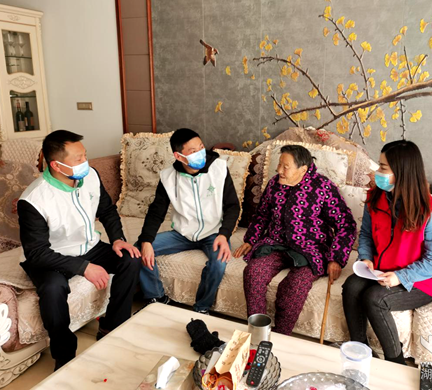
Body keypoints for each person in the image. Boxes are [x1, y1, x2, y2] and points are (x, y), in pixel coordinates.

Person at [18, 130, 142, 371]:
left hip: (89, 246)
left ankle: (112, 326)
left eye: (85, 155)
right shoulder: (34, 199)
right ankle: (64, 356)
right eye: (78, 158)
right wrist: (84, 268)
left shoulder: (91, 176)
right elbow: (37, 253)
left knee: (130, 259)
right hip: (50, 257)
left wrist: (118, 239)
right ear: (56, 165)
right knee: (53, 288)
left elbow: (107, 210)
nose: (85, 161)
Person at [342, 140, 432, 365]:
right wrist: (366, 257)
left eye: (382, 167)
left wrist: (401, 276)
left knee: (375, 298)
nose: (377, 172)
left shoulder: (430, 211)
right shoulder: (375, 198)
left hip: (421, 280)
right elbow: (366, 235)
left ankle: (396, 361)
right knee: (351, 286)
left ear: (402, 172)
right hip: (382, 271)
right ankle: (360, 350)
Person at [235, 145, 357, 335]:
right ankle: (258, 332)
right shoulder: (274, 184)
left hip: (311, 249)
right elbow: (262, 215)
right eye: (279, 165)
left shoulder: (323, 187)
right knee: (253, 272)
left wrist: (336, 258)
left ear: (303, 169)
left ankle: (282, 335)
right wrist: (250, 239)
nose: (279, 170)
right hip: (275, 243)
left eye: (286, 167)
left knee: (295, 285)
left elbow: (346, 224)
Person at [137, 128, 240, 314]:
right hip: (181, 234)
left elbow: (233, 206)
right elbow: (156, 212)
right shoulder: (168, 177)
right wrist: (146, 241)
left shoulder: (219, 168)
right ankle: (157, 298)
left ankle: (202, 308)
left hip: (213, 234)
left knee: (219, 263)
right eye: (193, 151)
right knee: (138, 250)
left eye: (201, 147)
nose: (200, 152)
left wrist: (224, 235)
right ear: (179, 156)